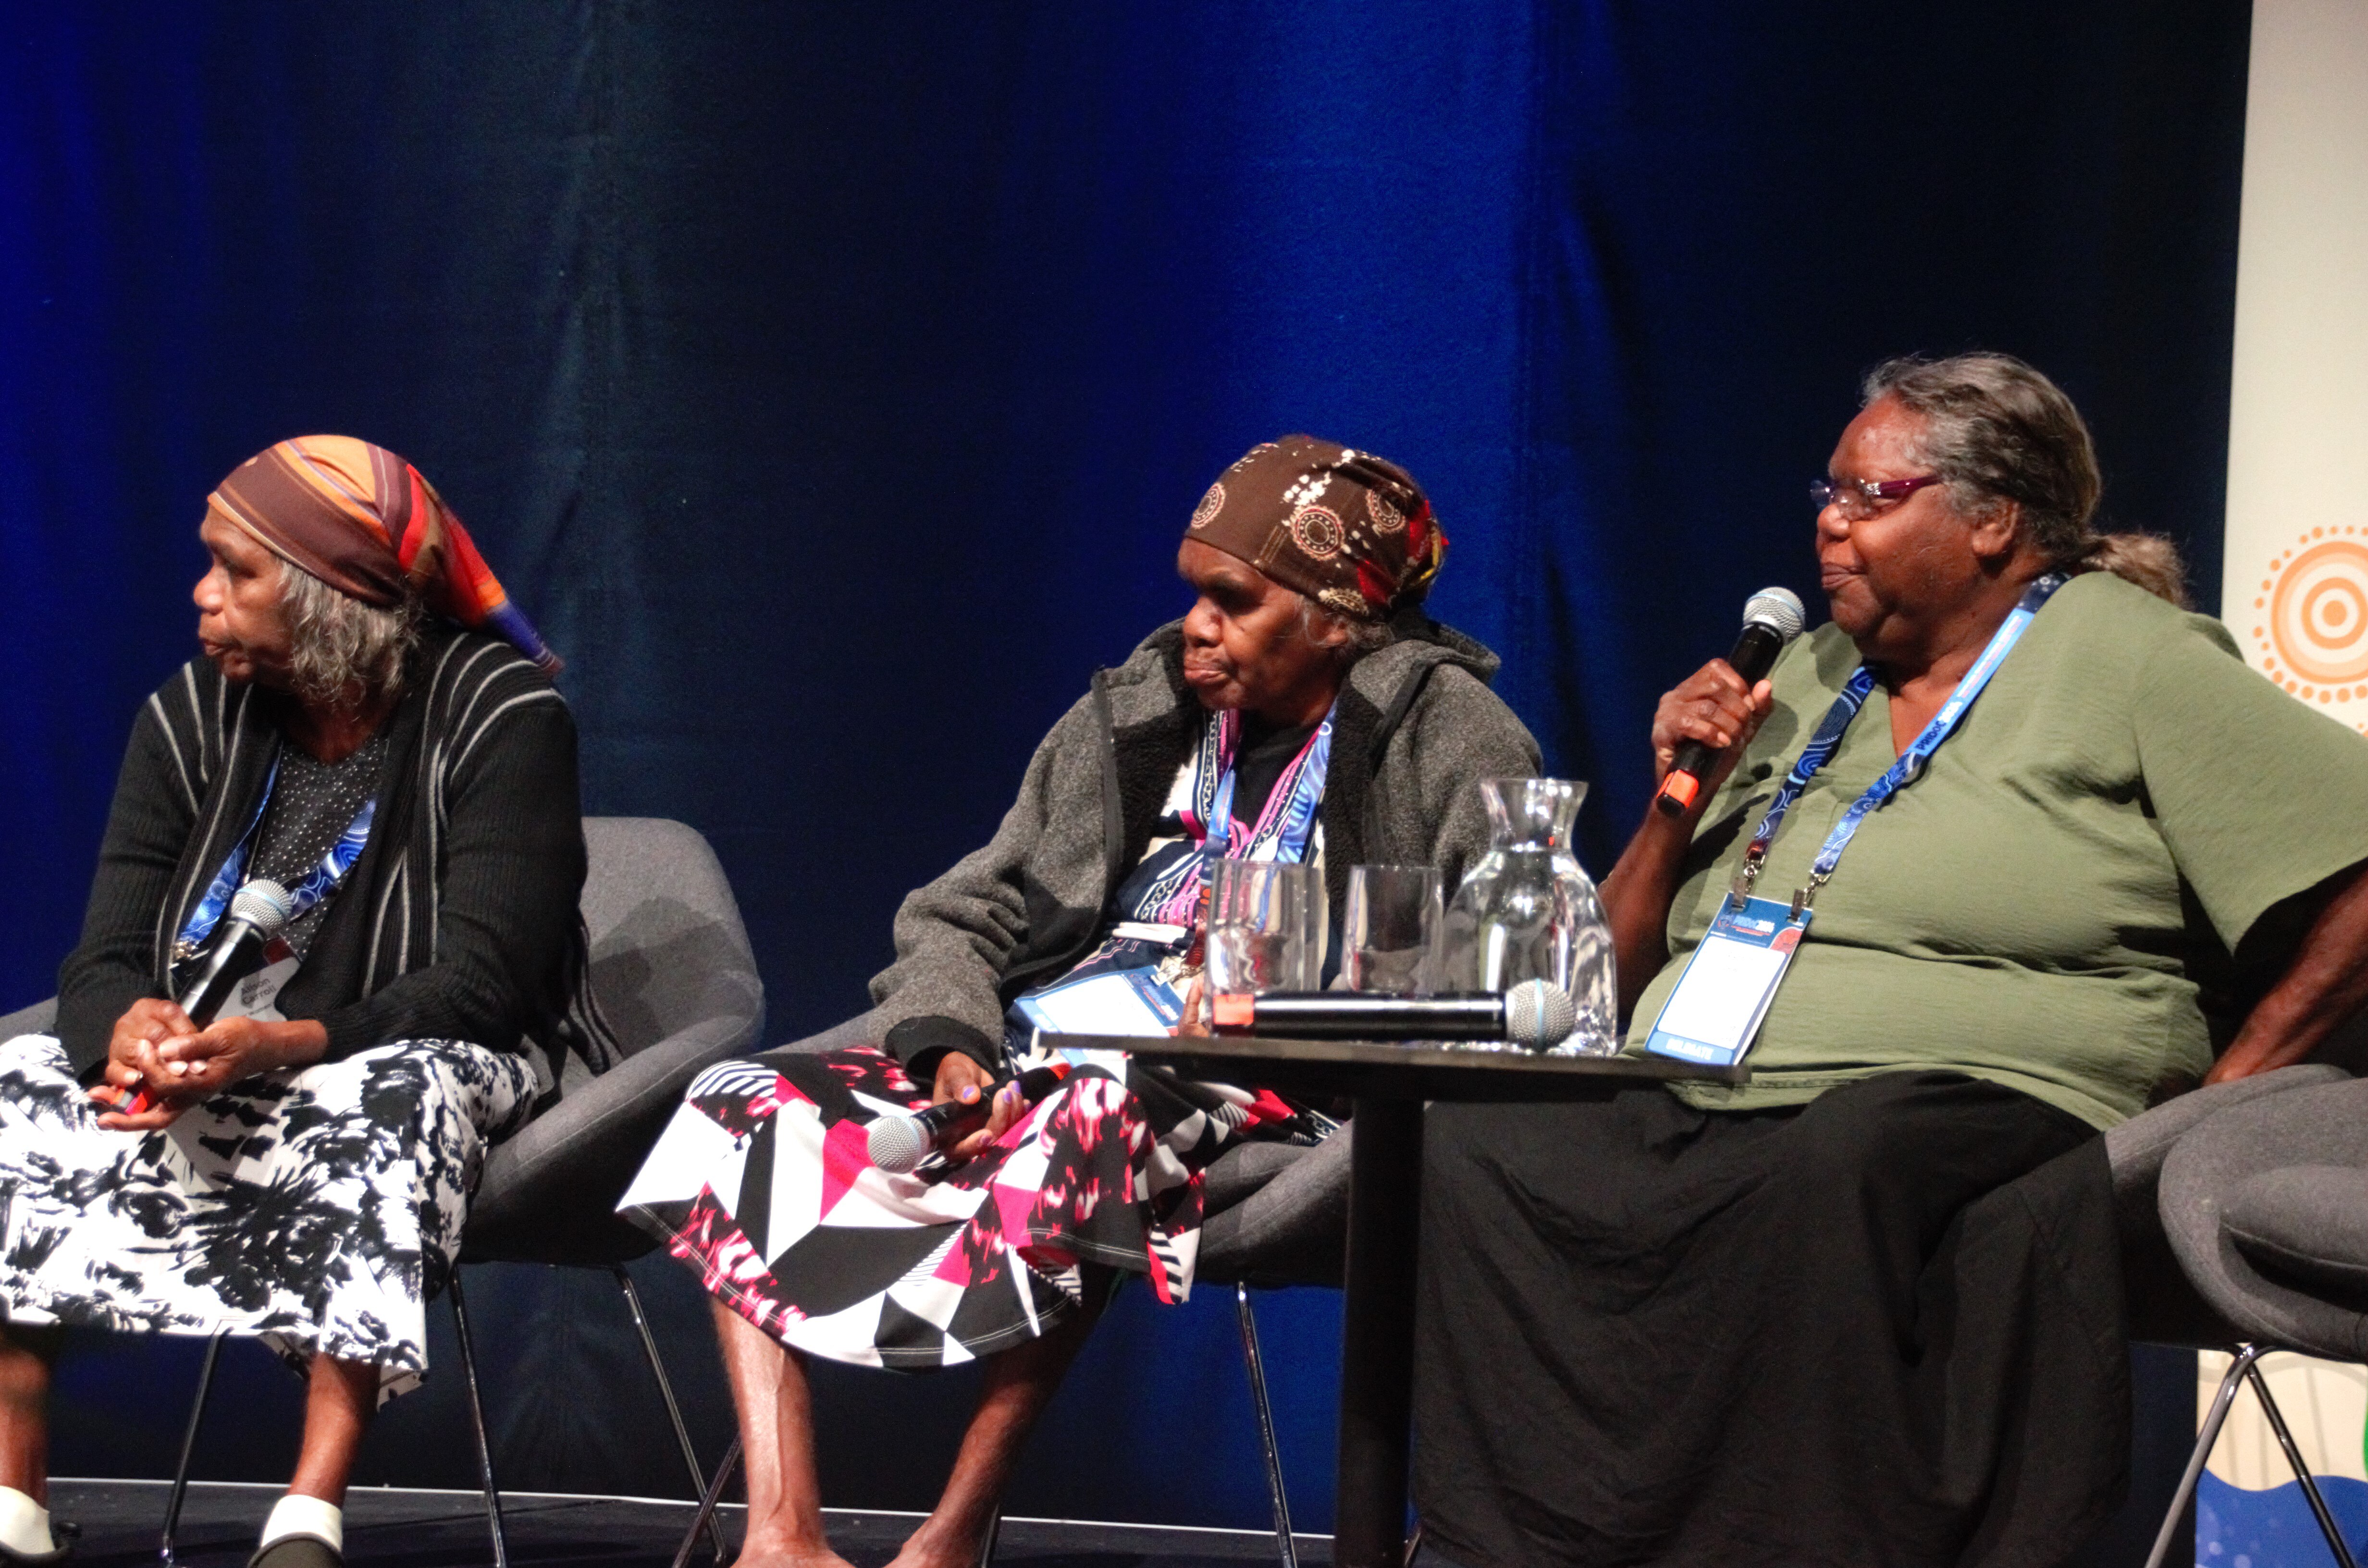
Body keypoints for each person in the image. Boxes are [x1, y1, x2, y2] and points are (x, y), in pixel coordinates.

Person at [1411, 354, 2368, 1568]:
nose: (1830, 522)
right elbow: (1605, 961)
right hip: (1709, 1085)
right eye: (1829, 491)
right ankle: (1534, 1544)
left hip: (1986, 1095)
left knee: (1839, 1159)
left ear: (1992, 523)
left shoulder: (2127, 655)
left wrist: (2235, 1092)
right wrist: (1675, 795)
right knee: (1477, 1145)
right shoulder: (1804, 674)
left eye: (1873, 496)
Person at [619, 436, 1541, 1568]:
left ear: (1334, 617)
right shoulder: (1136, 717)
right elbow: (963, 908)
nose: (1196, 625)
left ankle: (951, 1538)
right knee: (738, 1098)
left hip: (1270, 1078)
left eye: (1233, 601)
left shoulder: (1446, 732)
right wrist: (953, 1047)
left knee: (1092, 1100)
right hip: (1031, 1052)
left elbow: (1512, 958)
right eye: (1193, 595)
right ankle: (781, 1535)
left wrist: (1272, 977)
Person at [0, 438, 609, 1568]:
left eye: (236, 571)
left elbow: (484, 984)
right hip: (219, 1047)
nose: (202, 595)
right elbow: (101, 957)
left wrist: (283, 1043)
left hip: (436, 1048)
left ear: (330, 597)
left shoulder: (503, 717)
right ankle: (13, 1493)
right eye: (207, 566)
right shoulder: (190, 718)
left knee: (388, 1093)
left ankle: (311, 1504)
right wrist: (129, 1029)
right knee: (13, 1090)